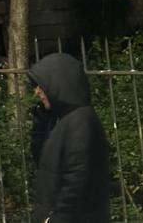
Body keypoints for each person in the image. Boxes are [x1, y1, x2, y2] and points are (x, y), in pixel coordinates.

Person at [28, 52, 111, 223]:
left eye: (41, 86)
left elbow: (77, 181)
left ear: (56, 84)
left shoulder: (80, 122)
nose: (37, 92)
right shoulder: (63, 120)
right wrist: (42, 119)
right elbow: (42, 160)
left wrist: (56, 219)